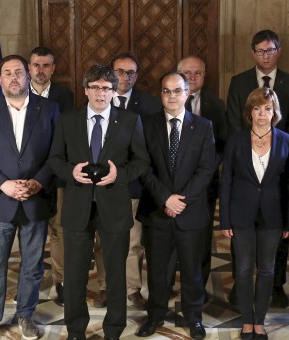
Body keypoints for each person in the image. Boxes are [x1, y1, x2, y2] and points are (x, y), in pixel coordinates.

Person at [47, 64, 150, 340]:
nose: (100, 93)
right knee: (76, 275)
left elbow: (142, 161)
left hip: (114, 207)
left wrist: (120, 175)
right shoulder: (68, 120)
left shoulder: (129, 120)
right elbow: (54, 159)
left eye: (106, 87)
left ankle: (114, 330)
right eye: (94, 87)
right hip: (77, 208)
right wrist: (71, 172)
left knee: (116, 274)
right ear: (85, 90)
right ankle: (76, 331)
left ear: (114, 91)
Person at [0, 55, 59, 340]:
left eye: (18, 72)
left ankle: (26, 315)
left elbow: (56, 154)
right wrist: (3, 184)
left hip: (35, 199)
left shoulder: (49, 109)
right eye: (7, 73)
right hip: (0, 199)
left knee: (32, 264)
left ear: (28, 75)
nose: (13, 77)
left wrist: (37, 182)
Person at [135, 71, 216, 340]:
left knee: (193, 270)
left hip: (190, 212)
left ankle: (194, 318)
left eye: (177, 91)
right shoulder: (146, 124)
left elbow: (206, 169)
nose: (172, 96)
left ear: (187, 93)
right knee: (158, 271)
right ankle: (155, 316)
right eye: (166, 91)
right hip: (157, 211)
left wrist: (181, 200)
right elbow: (143, 167)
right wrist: (165, 198)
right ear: (161, 94)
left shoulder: (203, 126)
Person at [225, 29, 289, 308]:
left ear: (278, 51)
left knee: (276, 233)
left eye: (270, 50)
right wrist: (245, 149)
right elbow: (234, 119)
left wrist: (281, 149)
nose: (265, 55)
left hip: (277, 163)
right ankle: (239, 284)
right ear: (253, 52)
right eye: (260, 50)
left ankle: (277, 285)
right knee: (242, 239)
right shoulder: (239, 81)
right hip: (246, 160)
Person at [220, 87, 289, 339]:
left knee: (267, 270)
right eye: (257, 108)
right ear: (249, 112)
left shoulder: (286, 140)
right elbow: (226, 180)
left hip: (273, 215)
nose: (262, 114)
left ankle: (260, 320)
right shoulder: (236, 140)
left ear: (274, 112)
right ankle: (246, 320)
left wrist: (288, 220)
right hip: (241, 213)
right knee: (242, 269)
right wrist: (225, 219)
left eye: (267, 108)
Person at [90, 52, 162, 309]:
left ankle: (132, 288)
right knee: (102, 240)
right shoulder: (97, 99)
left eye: (131, 72)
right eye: (120, 71)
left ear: (137, 76)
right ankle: (105, 287)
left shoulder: (151, 105)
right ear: (111, 73)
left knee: (133, 241)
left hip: (133, 184)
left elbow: (151, 149)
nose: (125, 77)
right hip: (101, 187)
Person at [28, 46, 74, 306]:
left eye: (46, 65)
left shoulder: (64, 96)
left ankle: (62, 280)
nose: (41, 70)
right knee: (31, 229)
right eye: (36, 65)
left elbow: (66, 136)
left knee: (59, 230)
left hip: (56, 175)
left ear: (53, 69)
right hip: (27, 175)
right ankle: (31, 281)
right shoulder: (18, 94)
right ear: (29, 68)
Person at [175, 55, 226, 290]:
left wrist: (206, 171)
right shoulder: (167, 101)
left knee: (203, 237)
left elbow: (222, 145)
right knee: (171, 236)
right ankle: (168, 285)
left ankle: (198, 286)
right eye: (187, 73)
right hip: (171, 184)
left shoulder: (216, 105)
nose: (192, 77)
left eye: (198, 73)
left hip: (205, 185)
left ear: (204, 77)